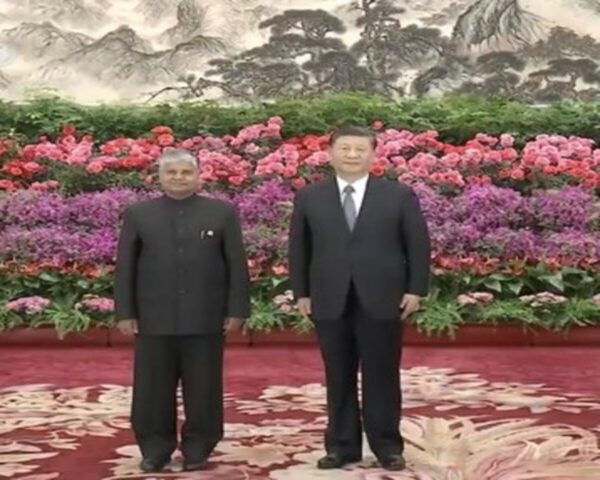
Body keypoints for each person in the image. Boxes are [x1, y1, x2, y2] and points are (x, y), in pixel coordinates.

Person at [288, 126, 431, 471]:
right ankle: (342, 446)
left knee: (382, 374)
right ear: (330, 153)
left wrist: (416, 288)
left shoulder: (397, 195)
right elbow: (299, 248)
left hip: (383, 297)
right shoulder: (310, 196)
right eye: (345, 148)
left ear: (373, 155)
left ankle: (387, 447)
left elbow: (417, 245)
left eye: (360, 149)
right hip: (328, 297)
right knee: (338, 374)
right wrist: (302, 292)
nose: (352, 155)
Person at [114, 148, 250, 473]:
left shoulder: (221, 213)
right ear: (160, 176)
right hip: (152, 319)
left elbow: (236, 264)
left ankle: (198, 447)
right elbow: (126, 267)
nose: (179, 178)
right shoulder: (139, 214)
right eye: (171, 173)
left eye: (186, 173)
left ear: (199, 176)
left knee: (203, 388)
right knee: (152, 389)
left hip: (206, 317)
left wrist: (237, 309)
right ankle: (155, 448)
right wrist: (125, 311)